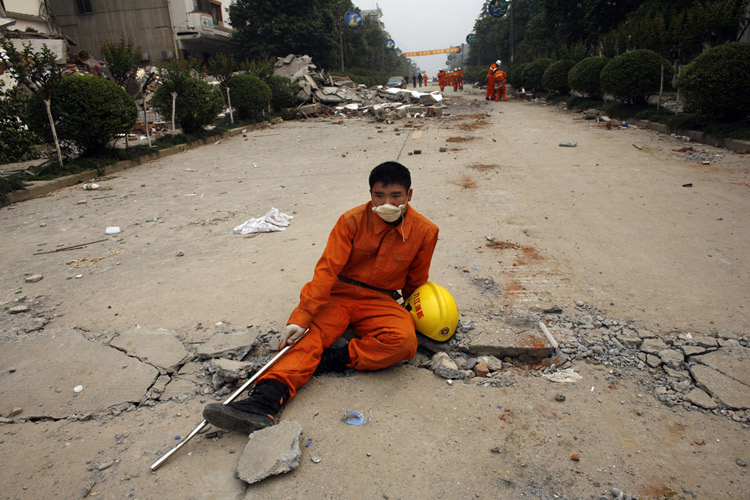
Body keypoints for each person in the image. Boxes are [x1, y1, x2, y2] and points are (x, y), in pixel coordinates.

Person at [202, 162, 440, 435]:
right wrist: (302, 316)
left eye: (395, 196)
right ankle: (262, 403)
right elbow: (327, 270)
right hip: (337, 293)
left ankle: (333, 359)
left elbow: (416, 283)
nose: (387, 203)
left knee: (404, 342)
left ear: (409, 195)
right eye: (379, 195)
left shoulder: (425, 231)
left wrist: (425, 319)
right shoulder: (350, 221)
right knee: (305, 338)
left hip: (380, 300)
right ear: (370, 194)